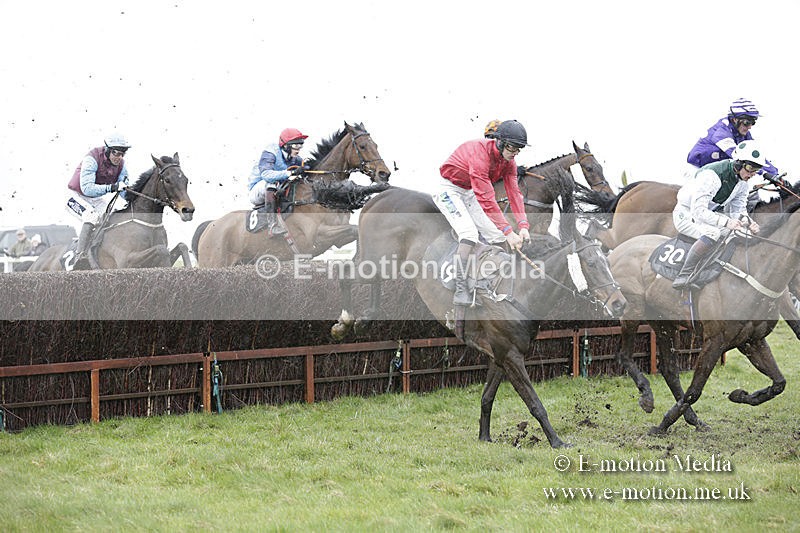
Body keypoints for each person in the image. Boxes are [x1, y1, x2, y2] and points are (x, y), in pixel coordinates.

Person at [432, 119, 532, 306]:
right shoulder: (480, 155)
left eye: (519, 149)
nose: (516, 153)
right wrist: (509, 231)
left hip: (468, 192)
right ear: (500, 142)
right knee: (469, 233)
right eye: (513, 148)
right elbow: (486, 199)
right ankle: (461, 289)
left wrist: (523, 225)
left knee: (496, 235)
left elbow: (514, 193)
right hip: (449, 190)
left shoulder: (508, 161)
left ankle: (493, 282)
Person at [672, 140, 765, 290]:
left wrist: (748, 222)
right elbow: (699, 211)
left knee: (743, 233)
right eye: (750, 168)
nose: (752, 174)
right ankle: (684, 274)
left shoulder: (742, 183)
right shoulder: (712, 176)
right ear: (739, 163)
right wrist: (727, 223)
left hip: (706, 216)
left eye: (756, 170)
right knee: (713, 232)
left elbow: (738, 211)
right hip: (686, 214)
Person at [66, 132, 131, 264]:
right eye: (116, 153)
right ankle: (80, 256)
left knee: (113, 217)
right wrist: (111, 187)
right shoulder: (92, 159)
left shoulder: (122, 166)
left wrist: (132, 197)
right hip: (75, 196)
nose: (119, 157)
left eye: (122, 154)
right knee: (91, 217)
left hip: (95, 199)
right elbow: (87, 189)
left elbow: (124, 190)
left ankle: (99, 251)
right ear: (107, 150)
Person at [686, 98, 780, 181]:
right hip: (696, 170)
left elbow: (756, 156)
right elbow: (741, 157)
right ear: (735, 119)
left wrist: (776, 174)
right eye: (747, 122)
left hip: (714, 170)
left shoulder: (743, 133)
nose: (750, 127)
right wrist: (764, 173)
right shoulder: (721, 132)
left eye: (753, 123)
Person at [247, 127, 309, 235]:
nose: (298, 149)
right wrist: (290, 173)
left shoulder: (297, 159)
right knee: (272, 183)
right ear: (285, 145)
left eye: (300, 145)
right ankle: (272, 225)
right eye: (295, 145)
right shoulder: (271, 152)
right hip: (258, 190)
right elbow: (266, 175)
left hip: (277, 189)